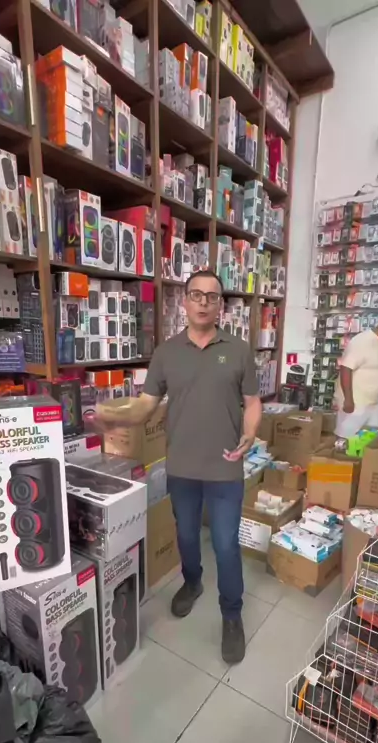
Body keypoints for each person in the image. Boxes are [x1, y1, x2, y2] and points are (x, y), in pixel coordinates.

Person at [95, 270, 262, 664]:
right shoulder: (166, 353)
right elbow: (145, 407)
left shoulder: (238, 350)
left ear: (220, 305)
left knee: (225, 544)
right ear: (185, 301)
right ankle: (192, 582)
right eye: (196, 295)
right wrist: (114, 416)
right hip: (182, 467)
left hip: (225, 467)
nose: (203, 302)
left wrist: (250, 432)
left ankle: (232, 615)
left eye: (212, 296)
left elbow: (253, 402)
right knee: (186, 536)